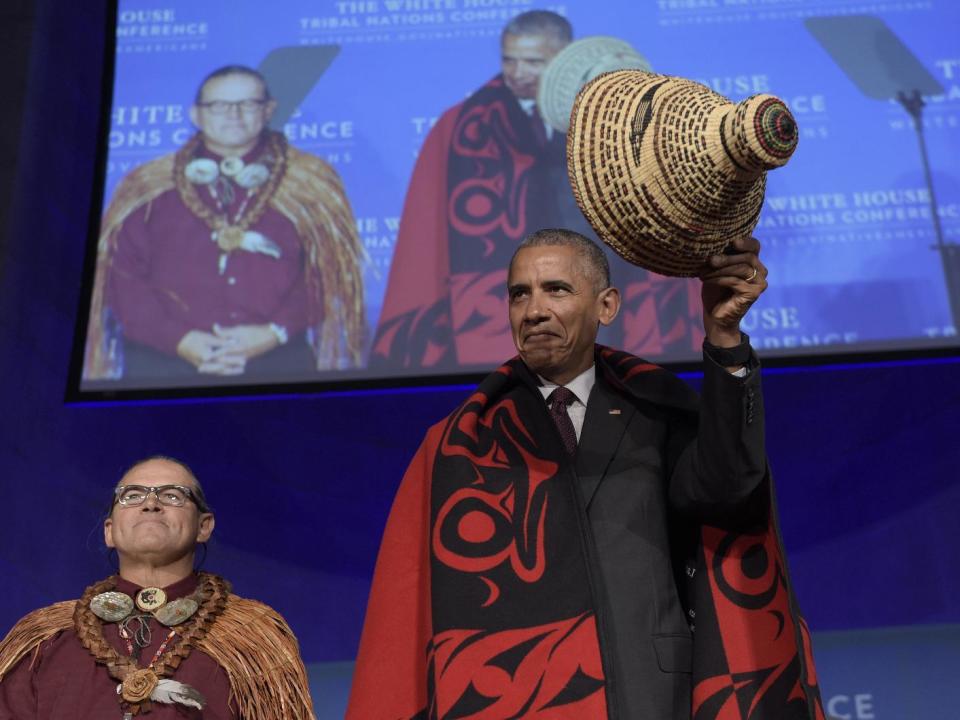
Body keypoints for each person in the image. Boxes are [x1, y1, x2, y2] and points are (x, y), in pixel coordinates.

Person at [348, 230, 824, 718]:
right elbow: (407, 614)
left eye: (556, 289)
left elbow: (727, 490)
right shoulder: (461, 445)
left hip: (652, 696)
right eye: (519, 294)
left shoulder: (658, 413)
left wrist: (724, 341)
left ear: (607, 306)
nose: (533, 310)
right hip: (517, 700)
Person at [371, 12, 703, 372]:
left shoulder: (612, 120)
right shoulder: (461, 128)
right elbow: (427, 236)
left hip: (606, 285)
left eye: (533, 61)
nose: (517, 72)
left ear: (563, 58)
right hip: (505, 313)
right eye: (509, 60)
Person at [84, 65, 365, 384]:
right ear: (195, 114)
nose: (233, 115)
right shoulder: (146, 187)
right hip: (162, 367)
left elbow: (326, 272)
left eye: (248, 104)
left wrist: (275, 332)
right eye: (218, 105)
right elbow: (122, 278)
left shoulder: (311, 184)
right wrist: (179, 340)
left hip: (279, 364)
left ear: (268, 110)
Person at [0, 456, 315, 719]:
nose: (151, 503)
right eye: (132, 495)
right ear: (109, 531)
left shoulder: (254, 638)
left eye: (173, 495)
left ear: (204, 526)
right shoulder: (44, 640)